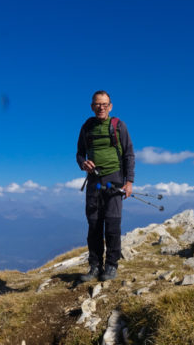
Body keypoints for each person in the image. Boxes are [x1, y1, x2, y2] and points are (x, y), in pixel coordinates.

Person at [76, 90, 135, 281]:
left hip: (115, 179)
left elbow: (128, 154)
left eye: (104, 104)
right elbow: (79, 154)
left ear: (110, 106)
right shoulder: (87, 127)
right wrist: (83, 164)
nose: (101, 107)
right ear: (92, 106)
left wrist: (129, 182)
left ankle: (111, 266)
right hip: (94, 181)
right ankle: (94, 267)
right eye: (97, 104)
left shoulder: (118, 126)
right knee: (94, 225)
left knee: (112, 224)